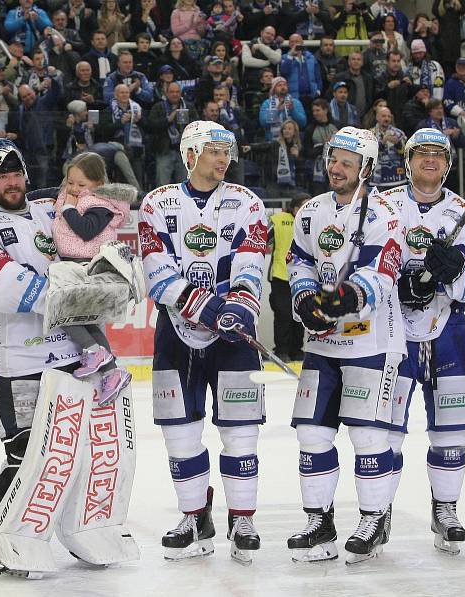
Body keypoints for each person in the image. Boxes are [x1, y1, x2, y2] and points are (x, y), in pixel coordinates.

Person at [0, 138, 137, 576]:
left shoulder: (46, 209)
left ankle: (80, 533)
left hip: (75, 358)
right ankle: (3, 541)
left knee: (85, 453)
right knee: (24, 456)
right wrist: (69, 292)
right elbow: (0, 285)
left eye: (16, 173)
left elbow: (90, 231)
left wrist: (111, 268)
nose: (12, 182)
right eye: (2, 175)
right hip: (22, 364)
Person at [138, 121, 268, 564]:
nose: (223, 158)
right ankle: (194, 515)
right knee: (179, 432)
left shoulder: (247, 203)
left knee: (241, 431)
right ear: (190, 154)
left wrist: (241, 304)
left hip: (235, 334)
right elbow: (156, 272)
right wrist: (207, 308)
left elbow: (251, 263)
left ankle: (242, 518)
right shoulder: (157, 204)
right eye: (213, 150)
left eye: (226, 151)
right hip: (176, 332)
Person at [286, 126, 405, 564]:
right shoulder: (312, 210)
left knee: (368, 434)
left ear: (366, 169)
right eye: (333, 160)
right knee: (312, 433)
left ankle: (373, 519)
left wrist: (340, 300)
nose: (336, 168)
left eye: (346, 164)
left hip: (373, 341)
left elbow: (382, 271)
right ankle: (320, 523)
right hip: (322, 344)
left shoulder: (385, 213)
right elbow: (298, 258)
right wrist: (302, 298)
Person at [383, 128, 465, 556]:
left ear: (447, 164)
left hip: (448, 330)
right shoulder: (385, 206)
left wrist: (451, 274)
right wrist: (399, 283)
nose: (430, 160)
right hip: (391, 334)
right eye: (421, 153)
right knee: (383, 431)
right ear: (406, 160)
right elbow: (369, 261)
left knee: (452, 428)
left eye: (438, 154)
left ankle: (445, 509)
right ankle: (378, 512)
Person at [51, 152, 134, 401]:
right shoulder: (73, 196)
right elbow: (45, 194)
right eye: (70, 182)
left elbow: (87, 231)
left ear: (97, 185)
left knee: (62, 311)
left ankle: (91, 350)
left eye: (81, 184)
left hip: (89, 267)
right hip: (78, 266)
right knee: (87, 322)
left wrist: (67, 208)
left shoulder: (100, 203)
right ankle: (111, 372)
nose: (74, 189)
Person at [267, 194, 307, 362]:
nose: (308, 209)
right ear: (295, 207)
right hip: (280, 276)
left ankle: (297, 349)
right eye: (305, 206)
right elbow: (261, 240)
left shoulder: (311, 221)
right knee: (283, 315)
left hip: (303, 276)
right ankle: (281, 350)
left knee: (300, 313)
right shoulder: (277, 219)